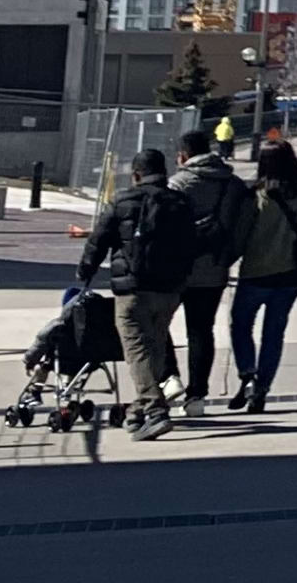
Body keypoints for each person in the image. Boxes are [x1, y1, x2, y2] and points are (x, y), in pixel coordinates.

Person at [75, 147, 199, 440]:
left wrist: (85, 271)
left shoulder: (122, 200)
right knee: (155, 346)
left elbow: (98, 241)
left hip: (132, 289)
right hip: (169, 290)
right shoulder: (179, 202)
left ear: (136, 175)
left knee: (136, 349)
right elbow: (191, 243)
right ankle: (137, 411)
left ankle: (154, 410)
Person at [226, 138, 297, 413]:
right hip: (293, 274)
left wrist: (224, 260)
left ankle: (248, 372)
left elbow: (241, 234)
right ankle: (262, 389)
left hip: (256, 271)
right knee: (274, 332)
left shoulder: (257, 195)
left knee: (240, 325)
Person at [167, 128, 253, 400]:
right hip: (215, 267)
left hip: (178, 268)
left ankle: (170, 379)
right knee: (201, 330)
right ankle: (197, 394)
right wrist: (229, 255)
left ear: (183, 155)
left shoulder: (178, 184)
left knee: (157, 326)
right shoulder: (233, 183)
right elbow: (243, 227)